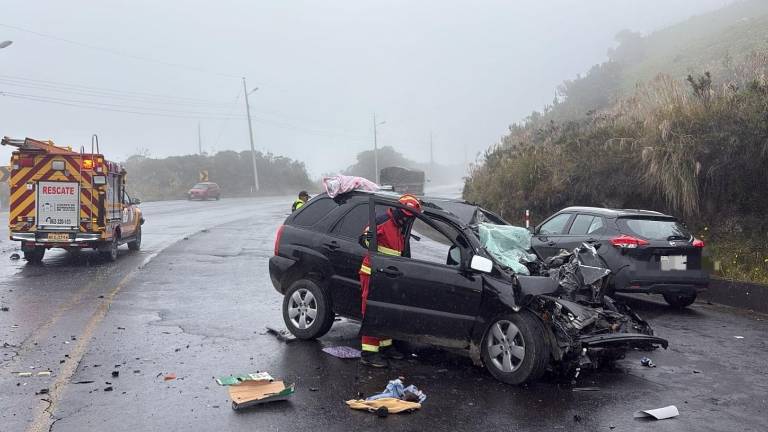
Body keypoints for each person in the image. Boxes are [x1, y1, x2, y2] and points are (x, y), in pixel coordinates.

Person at [358, 193, 422, 368]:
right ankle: (369, 354)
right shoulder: (383, 220)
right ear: (400, 212)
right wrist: (366, 239)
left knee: (386, 312)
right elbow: (363, 239)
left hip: (388, 276)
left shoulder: (401, 227)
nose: (408, 221)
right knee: (372, 312)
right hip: (372, 273)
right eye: (408, 217)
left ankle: (385, 347)